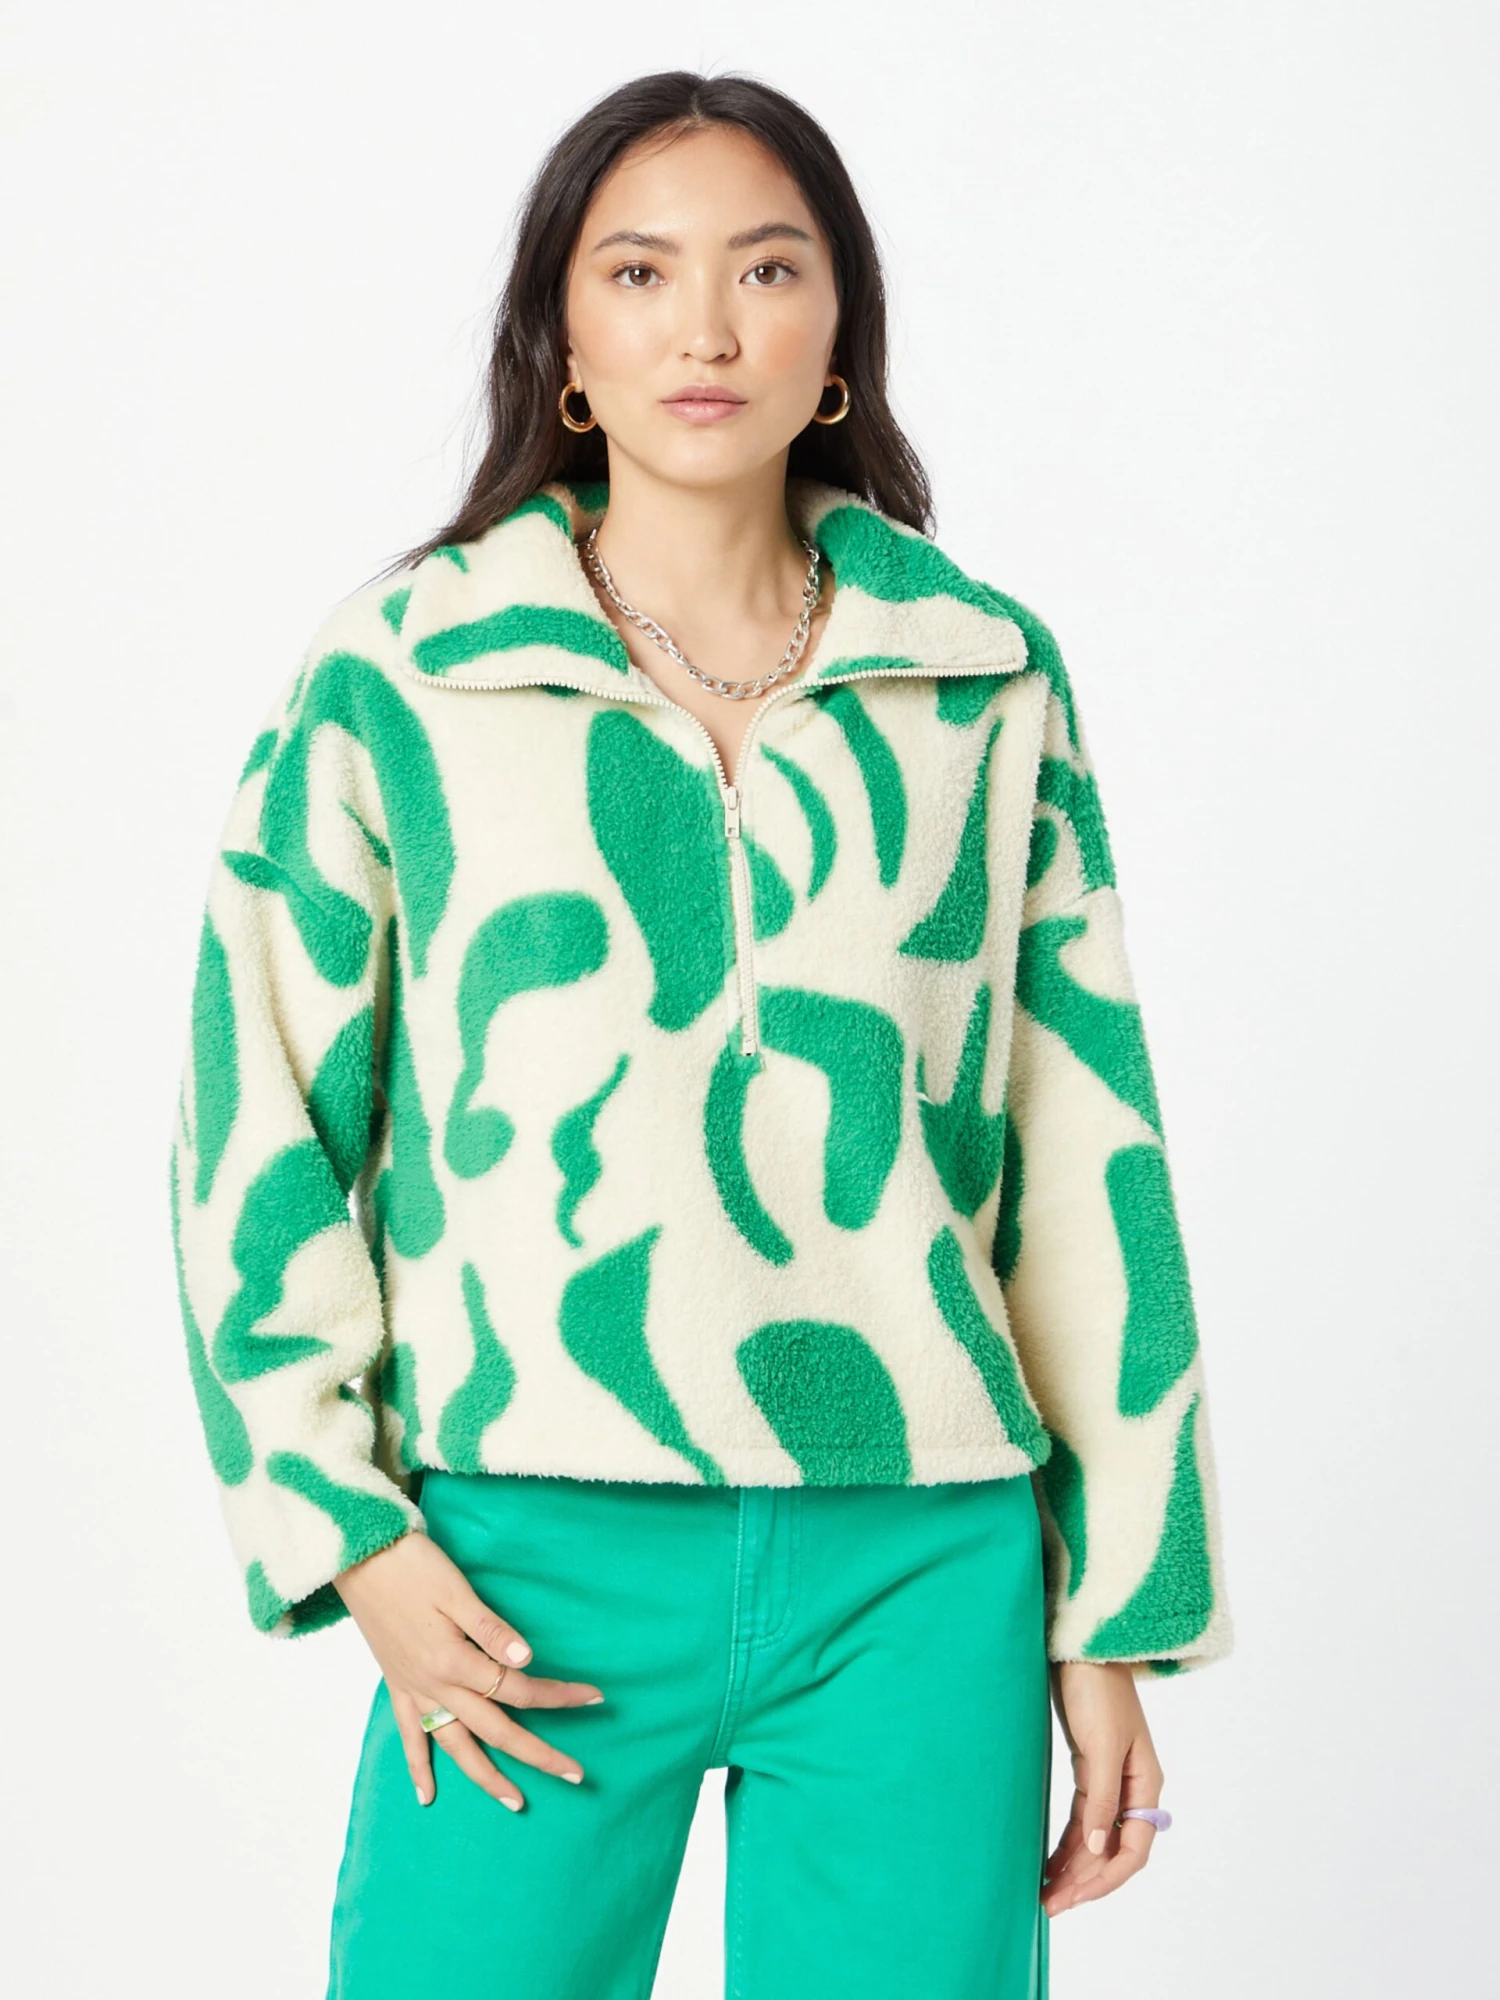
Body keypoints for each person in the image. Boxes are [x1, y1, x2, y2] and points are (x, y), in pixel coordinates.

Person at [167, 68, 1234, 2000]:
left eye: (768, 268)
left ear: (841, 329)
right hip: (522, 1557)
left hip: (922, 1562)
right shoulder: (405, 673)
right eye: (642, 272)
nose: (709, 329)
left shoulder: (982, 678)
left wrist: (1112, 1618)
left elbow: (1089, 1149)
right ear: (565, 341)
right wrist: (346, 1532)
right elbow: (260, 1122)